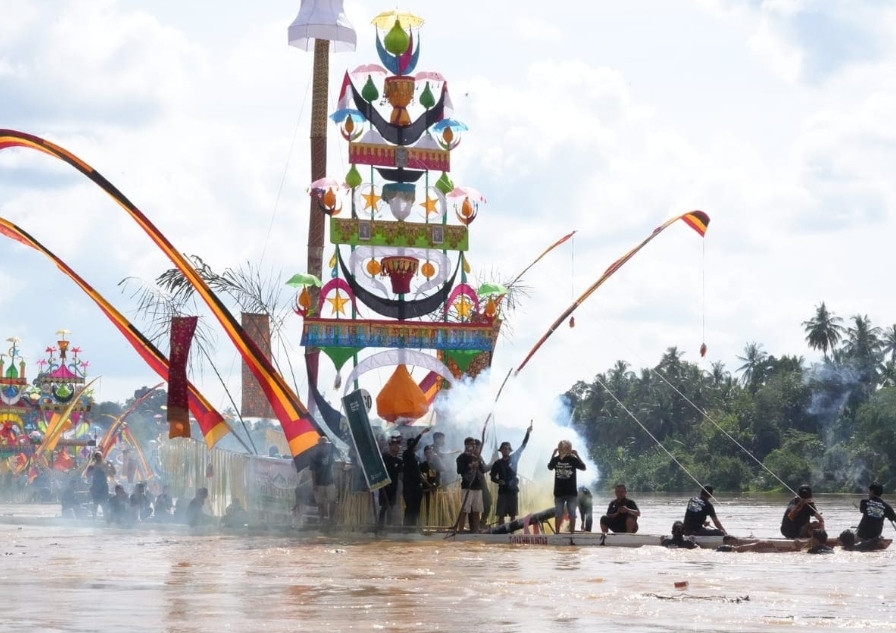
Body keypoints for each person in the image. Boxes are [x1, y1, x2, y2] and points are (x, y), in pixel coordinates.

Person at [490, 421, 533, 526]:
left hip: (513, 490)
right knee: (501, 514)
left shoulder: (514, 458)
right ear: (501, 450)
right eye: (504, 449)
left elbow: (523, 445)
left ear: (510, 450)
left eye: (507, 449)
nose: (506, 450)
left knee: (513, 514)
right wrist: (498, 481)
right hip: (503, 490)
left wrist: (527, 433)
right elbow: (492, 477)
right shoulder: (497, 463)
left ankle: (512, 532)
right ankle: (500, 532)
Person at [547, 440, 586, 533]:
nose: (563, 450)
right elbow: (549, 467)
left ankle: (572, 534)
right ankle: (557, 533)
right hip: (559, 492)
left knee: (572, 514)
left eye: (566, 448)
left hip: (571, 492)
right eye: (561, 448)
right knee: (558, 514)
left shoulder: (573, 459)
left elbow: (584, 468)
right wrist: (553, 455)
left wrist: (577, 455)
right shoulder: (556, 459)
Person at [402, 427, 432, 528]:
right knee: (409, 507)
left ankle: (414, 527)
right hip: (408, 486)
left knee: (416, 508)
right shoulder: (406, 454)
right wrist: (421, 433)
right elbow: (413, 445)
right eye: (413, 444)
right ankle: (407, 527)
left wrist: (428, 484)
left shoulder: (416, 458)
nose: (415, 446)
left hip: (417, 486)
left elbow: (419, 472)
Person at [456, 437, 486, 533]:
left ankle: (476, 530)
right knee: (465, 510)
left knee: (477, 510)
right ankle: (460, 530)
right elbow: (459, 470)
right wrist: (470, 466)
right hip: (467, 486)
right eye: (471, 444)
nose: (474, 446)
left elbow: (483, 469)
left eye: (474, 444)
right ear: (466, 445)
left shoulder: (476, 457)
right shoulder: (461, 457)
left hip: (477, 487)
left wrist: (479, 459)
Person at [309, 436, 338, 525]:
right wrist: (314, 485)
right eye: (322, 445)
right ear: (319, 446)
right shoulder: (314, 457)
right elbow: (313, 472)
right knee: (320, 503)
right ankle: (321, 520)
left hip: (330, 481)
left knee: (332, 501)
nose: (324, 446)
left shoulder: (331, 454)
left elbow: (335, 465)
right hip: (319, 482)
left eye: (325, 445)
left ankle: (331, 520)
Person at [378, 436, 403, 529]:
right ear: (390, 446)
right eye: (394, 445)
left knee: (391, 506)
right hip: (384, 485)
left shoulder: (399, 461)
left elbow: (400, 475)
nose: (396, 447)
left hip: (394, 486)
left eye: (397, 445)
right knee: (384, 506)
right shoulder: (385, 457)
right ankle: (380, 526)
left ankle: (389, 526)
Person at [85, 451, 114, 520]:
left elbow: (111, 473)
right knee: (95, 503)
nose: (98, 458)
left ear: (101, 457)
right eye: (96, 457)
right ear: (95, 458)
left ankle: (105, 519)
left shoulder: (105, 464)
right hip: (95, 486)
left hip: (104, 486)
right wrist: (94, 469)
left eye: (99, 456)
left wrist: (107, 467)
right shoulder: (92, 466)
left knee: (104, 503)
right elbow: (88, 475)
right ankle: (93, 519)